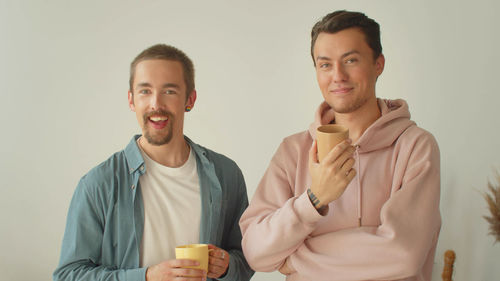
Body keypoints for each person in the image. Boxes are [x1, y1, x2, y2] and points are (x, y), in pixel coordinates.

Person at [239, 10, 441, 281]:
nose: (338, 76)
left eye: (351, 60)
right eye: (325, 65)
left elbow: (403, 255)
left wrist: (295, 257)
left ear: (378, 64)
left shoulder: (415, 147)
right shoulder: (292, 151)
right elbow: (255, 252)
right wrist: (314, 199)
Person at [53, 44, 254, 281]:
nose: (156, 104)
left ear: (190, 99)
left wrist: (227, 266)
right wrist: (146, 277)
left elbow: (246, 259)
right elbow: (68, 276)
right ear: (131, 100)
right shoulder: (98, 184)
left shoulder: (226, 174)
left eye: (169, 91)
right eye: (145, 91)